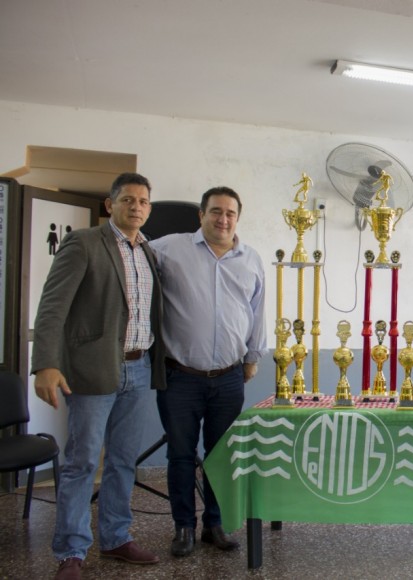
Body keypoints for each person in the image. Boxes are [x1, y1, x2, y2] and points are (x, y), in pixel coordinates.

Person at [32, 172, 164, 580]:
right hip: (92, 370)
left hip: (139, 368)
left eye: (143, 201)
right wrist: (46, 364)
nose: (136, 207)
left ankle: (115, 538)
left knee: (124, 460)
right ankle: (71, 551)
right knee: (82, 461)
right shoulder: (84, 243)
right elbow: (53, 306)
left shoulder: (149, 253)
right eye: (128, 200)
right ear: (110, 204)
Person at [149, 186, 267, 558]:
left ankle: (213, 524)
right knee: (181, 455)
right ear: (201, 215)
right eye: (215, 211)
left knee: (221, 455)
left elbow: (258, 311)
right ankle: (183, 526)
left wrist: (252, 357)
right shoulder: (168, 248)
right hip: (180, 376)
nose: (223, 219)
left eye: (230, 213)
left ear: (237, 218)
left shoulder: (251, 259)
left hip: (229, 377)